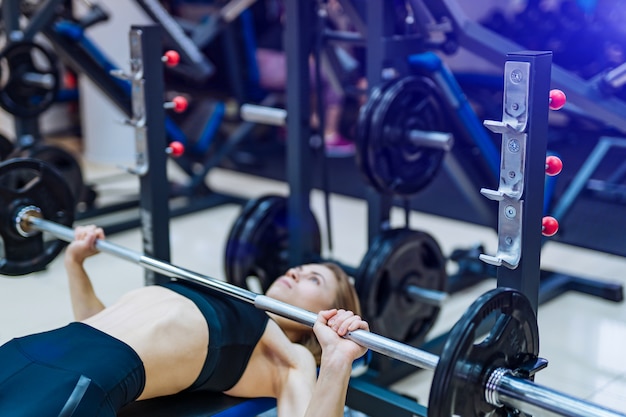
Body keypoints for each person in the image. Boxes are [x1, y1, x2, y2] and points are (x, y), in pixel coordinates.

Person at [0, 225, 369, 417]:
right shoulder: (228, 293)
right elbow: (99, 323)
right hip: (25, 351)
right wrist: (75, 264)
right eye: (300, 267)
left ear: (326, 313)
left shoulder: (287, 356)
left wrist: (336, 360)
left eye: (313, 280)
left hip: (79, 384)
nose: (295, 272)